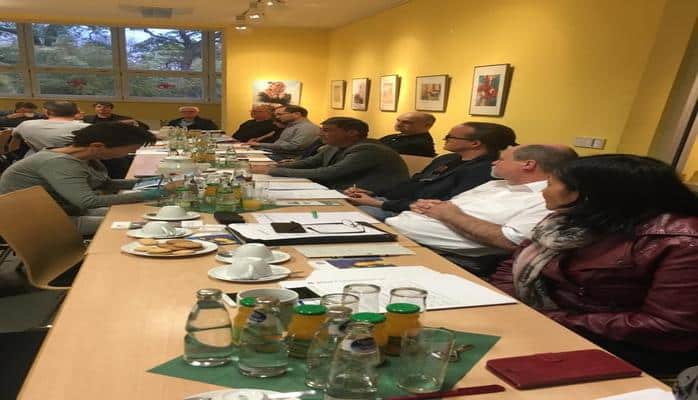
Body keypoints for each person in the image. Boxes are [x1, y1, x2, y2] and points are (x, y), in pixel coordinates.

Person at [489, 155, 698, 376]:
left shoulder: (682, 242)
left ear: (584, 194)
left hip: (625, 348)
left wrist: (548, 319)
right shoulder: (565, 220)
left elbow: (667, 325)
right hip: (552, 324)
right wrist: (507, 305)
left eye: (550, 184)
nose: (543, 191)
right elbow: (513, 264)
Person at [386, 144, 578, 276]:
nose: (493, 163)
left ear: (528, 165)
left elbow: (512, 241)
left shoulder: (545, 198)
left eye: (501, 159)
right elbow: (449, 208)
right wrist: (427, 206)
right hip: (396, 232)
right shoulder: (495, 184)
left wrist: (450, 215)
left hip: (440, 254)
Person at [0, 122, 175, 235]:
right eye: (129, 150)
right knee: (145, 224)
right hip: (42, 223)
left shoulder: (83, 156)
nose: (129, 154)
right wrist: (155, 193)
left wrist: (158, 182)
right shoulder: (59, 163)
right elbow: (88, 202)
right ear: (98, 146)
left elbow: (106, 184)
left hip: (66, 210)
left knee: (149, 215)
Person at [346, 122, 516, 221]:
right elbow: (414, 182)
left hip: (411, 212)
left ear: (475, 143)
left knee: (350, 217)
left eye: (451, 137)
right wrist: (373, 193)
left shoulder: (483, 171)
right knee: (341, 205)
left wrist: (378, 203)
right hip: (393, 202)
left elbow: (444, 204)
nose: (444, 139)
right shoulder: (446, 159)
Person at [251, 117, 409, 194]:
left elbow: (328, 173)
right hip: (341, 190)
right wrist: (275, 165)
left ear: (352, 133)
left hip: (371, 195)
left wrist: (273, 171)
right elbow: (309, 162)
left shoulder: (368, 150)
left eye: (327, 130)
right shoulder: (334, 145)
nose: (320, 134)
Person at [11, 101, 88, 158]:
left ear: (46, 112)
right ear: (76, 112)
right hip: (73, 164)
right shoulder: (87, 128)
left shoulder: (25, 125)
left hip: (33, 162)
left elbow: (14, 142)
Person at [250, 105, 320, 160]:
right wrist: (259, 146)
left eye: (280, 114)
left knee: (248, 162)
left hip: (287, 158)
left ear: (297, 114)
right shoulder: (291, 125)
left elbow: (293, 146)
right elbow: (280, 145)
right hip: (278, 154)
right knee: (247, 155)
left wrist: (260, 144)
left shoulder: (307, 127)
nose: (277, 117)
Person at [83, 101, 150, 130]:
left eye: (106, 107)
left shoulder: (122, 118)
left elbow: (145, 127)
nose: (102, 108)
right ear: (95, 108)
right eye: (99, 107)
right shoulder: (87, 118)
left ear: (111, 109)